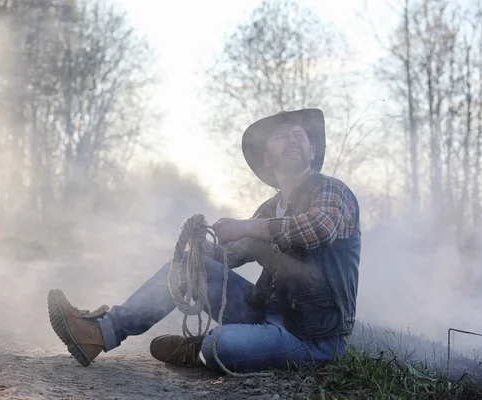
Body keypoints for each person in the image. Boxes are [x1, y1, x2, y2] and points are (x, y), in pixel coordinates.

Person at [47, 108, 361, 373]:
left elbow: (321, 228)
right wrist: (201, 248)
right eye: (281, 137)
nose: (292, 140)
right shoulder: (268, 209)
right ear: (268, 159)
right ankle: (100, 332)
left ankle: (200, 347)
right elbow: (230, 254)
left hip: (315, 338)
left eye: (299, 136)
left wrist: (246, 226)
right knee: (186, 267)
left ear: (312, 151)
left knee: (220, 344)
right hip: (266, 312)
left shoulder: (331, 190)